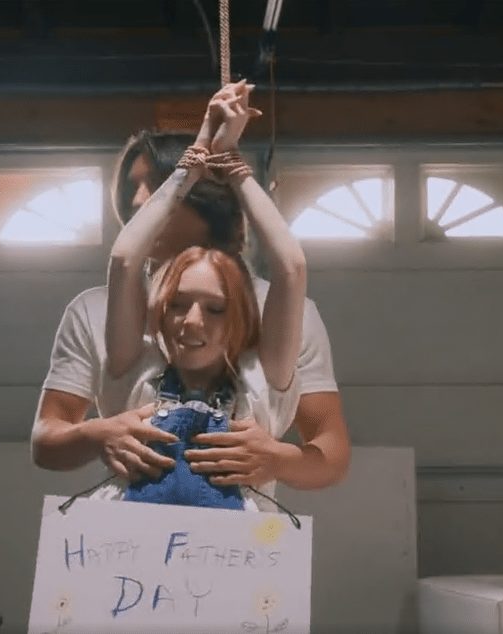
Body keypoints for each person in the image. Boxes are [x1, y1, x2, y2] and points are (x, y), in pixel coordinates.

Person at [32, 82, 351, 513]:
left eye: (156, 185)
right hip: (127, 537)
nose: (137, 201)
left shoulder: (284, 315)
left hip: (238, 540)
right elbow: (46, 440)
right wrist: (96, 435)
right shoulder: (97, 311)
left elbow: (331, 451)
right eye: (130, 189)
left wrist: (277, 460)